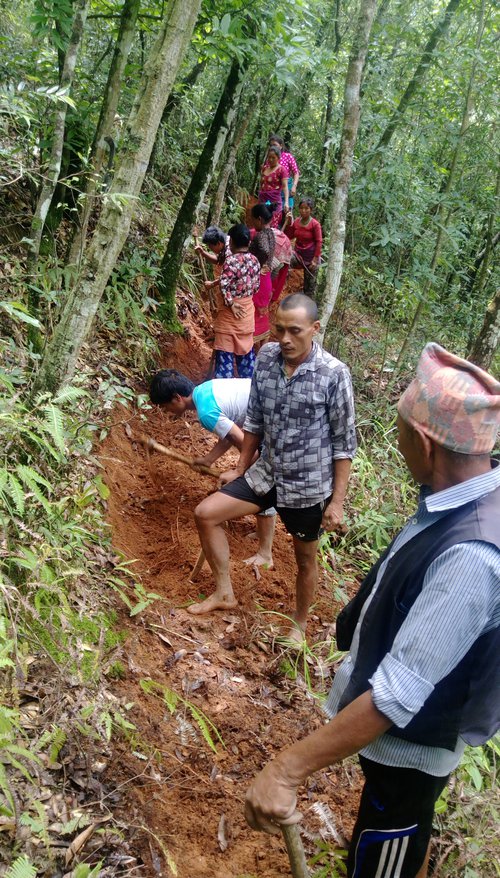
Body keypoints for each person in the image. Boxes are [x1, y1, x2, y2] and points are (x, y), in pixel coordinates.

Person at [244, 343, 500, 878]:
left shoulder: (473, 557)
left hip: (410, 757)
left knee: (383, 859)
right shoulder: (462, 496)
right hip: (397, 748)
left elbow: (397, 694)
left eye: (401, 428)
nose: (395, 439)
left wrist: (288, 769)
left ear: (427, 444)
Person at [191, 293, 357, 638]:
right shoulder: (266, 357)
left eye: (294, 331)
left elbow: (344, 445)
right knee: (206, 514)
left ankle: (298, 624)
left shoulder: (334, 374)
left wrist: (337, 502)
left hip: (307, 487)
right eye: (279, 329)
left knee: (304, 560)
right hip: (266, 474)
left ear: (315, 328)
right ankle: (224, 592)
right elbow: (254, 419)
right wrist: (240, 467)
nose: (284, 338)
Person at [149, 369, 276, 571]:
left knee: (260, 482)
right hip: (270, 411)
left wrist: (241, 472)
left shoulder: (206, 412)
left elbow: (246, 447)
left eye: (165, 406)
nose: (166, 411)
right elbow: (230, 435)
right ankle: (263, 531)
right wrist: (209, 460)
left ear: (177, 398)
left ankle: (265, 554)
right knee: (257, 477)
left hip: (275, 421)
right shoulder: (205, 390)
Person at [203, 224, 260, 379]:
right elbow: (256, 287)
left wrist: (232, 303)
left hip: (229, 316)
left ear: (232, 242)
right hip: (246, 314)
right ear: (248, 243)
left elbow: (224, 284)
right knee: (246, 358)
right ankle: (248, 394)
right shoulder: (255, 261)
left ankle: (224, 394)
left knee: (224, 358)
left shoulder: (231, 261)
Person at [249, 203, 276, 351]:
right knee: (262, 317)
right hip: (267, 281)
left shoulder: (260, 236)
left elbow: (265, 251)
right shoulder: (271, 233)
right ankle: (262, 352)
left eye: (253, 220)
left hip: (258, 280)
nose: (252, 223)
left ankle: (251, 352)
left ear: (259, 219)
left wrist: (257, 265)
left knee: (253, 316)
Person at [285, 196, 323, 298]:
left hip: (311, 258)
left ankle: (307, 309)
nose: (304, 211)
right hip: (298, 255)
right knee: (285, 262)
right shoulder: (297, 222)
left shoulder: (315, 224)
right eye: (301, 208)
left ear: (311, 210)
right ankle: (283, 288)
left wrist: (315, 259)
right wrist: (288, 223)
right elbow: (289, 235)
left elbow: (319, 241)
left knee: (309, 289)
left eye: (306, 208)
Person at [258, 146, 289, 229]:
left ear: (278, 158)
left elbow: (285, 186)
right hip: (262, 200)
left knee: (272, 226)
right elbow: (262, 184)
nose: (271, 160)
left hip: (274, 201)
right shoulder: (264, 168)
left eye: (273, 158)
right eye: (269, 157)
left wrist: (286, 202)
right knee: (260, 223)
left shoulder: (282, 170)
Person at [268, 134, 300, 211]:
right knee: (273, 213)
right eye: (271, 145)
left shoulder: (287, 156)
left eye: (275, 145)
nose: (273, 147)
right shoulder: (269, 158)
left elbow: (296, 172)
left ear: (281, 146)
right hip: (273, 190)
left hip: (286, 188)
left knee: (287, 213)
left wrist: (294, 186)